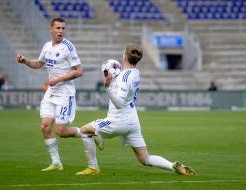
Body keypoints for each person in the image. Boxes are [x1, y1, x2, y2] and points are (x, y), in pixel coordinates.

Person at [76, 43, 196, 176]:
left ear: (125, 56)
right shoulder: (135, 73)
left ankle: (93, 167)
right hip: (132, 122)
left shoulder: (124, 77)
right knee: (145, 159)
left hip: (117, 121)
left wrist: (108, 89)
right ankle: (172, 166)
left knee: (84, 131)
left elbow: (120, 104)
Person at [16, 17, 83, 171]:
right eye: (58, 28)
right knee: (45, 126)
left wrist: (58, 79)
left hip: (65, 93)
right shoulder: (47, 46)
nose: (61, 31)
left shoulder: (68, 47)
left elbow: (79, 71)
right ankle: (56, 162)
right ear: (51, 29)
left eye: (63, 28)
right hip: (52, 92)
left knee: (61, 131)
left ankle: (87, 133)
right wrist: (25, 61)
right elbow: (39, 64)